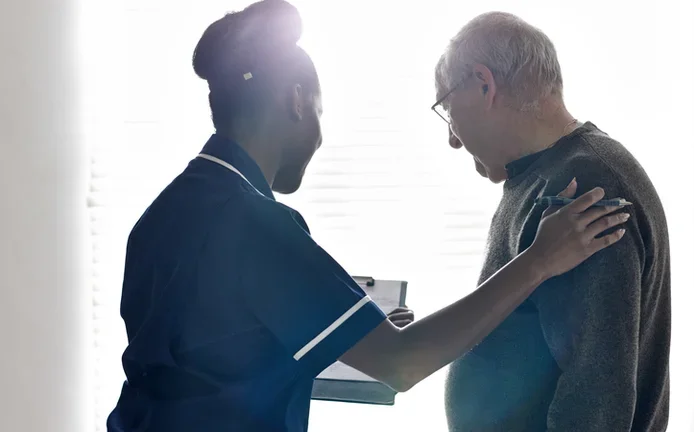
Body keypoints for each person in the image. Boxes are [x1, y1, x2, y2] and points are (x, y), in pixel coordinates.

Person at [105, 2, 629, 431]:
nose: (318, 134)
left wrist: (345, 333)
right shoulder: (254, 224)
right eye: (319, 112)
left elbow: (212, 356)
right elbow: (401, 364)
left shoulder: (168, 211)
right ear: (295, 102)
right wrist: (540, 260)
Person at [434, 11, 671, 432]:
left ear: (484, 84)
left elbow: (595, 397)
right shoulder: (546, 175)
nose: (453, 138)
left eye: (447, 109)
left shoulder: (581, 187)